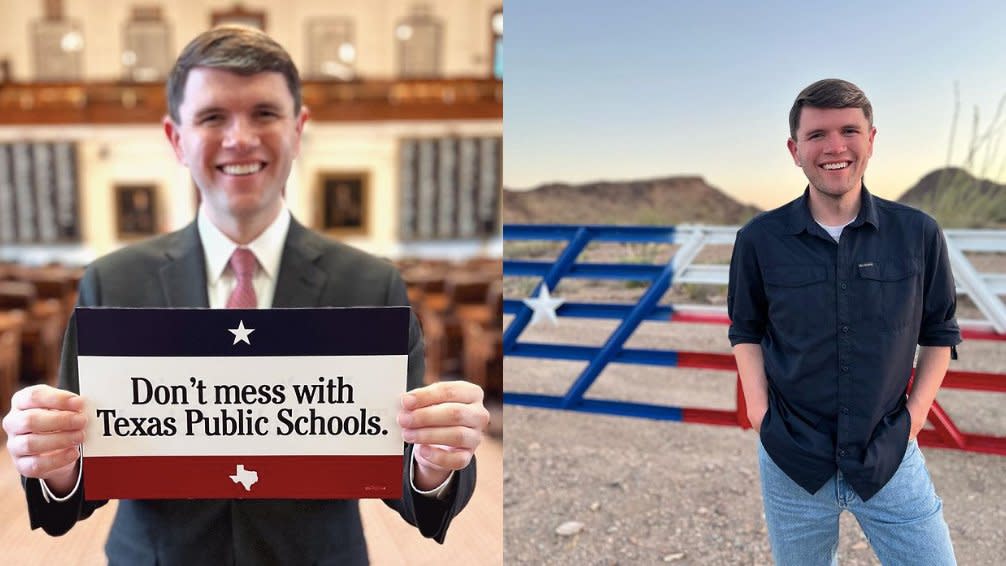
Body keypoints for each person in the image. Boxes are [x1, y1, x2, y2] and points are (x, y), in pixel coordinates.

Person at [2, 25, 489, 565]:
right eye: (213, 117)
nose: (240, 138)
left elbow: (399, 467)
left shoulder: (371, 284)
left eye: (264, 113)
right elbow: (84, 473)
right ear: (175, 138)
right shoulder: (112, 281)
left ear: (298, 129)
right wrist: (55, 462)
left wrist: (434, 462)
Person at [727, 78, 961, 565]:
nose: (835, 148)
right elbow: (746, 329)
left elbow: (939, 333)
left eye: (849, 131)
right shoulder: (759, 238)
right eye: (816, 135)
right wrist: (759, 411)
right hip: (792, 456)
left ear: (871, 139)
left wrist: (914, 419)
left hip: (888, 454)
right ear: (795, 150)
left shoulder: (917, 233)